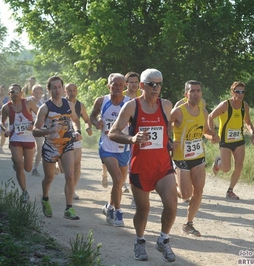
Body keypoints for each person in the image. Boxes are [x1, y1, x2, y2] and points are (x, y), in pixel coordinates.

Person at [108, 68, 177, 262]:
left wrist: (170, 142)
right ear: (142, 86)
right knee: (143, 210)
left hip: (163, 167)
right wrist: (132, 138)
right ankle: (139, 241)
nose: (156, 88)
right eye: (151, 84)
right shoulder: (132, 107)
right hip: (140, 168)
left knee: (171, 205)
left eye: (159, 84)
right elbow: (113, 133)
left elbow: (165, 131)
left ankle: (164, 239)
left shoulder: (166, 105)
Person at [170, 80, 219, 237]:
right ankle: (171, 184)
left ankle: (188, 224)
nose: (196, 94)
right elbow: (164, 127)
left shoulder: (203, 112)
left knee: (198, 190)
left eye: (198, 91)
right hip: (181, 158)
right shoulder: (178, 111)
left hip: (198, 156)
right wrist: (169, 143)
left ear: (201, 94)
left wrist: (212, 136)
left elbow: (205, 131)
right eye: (192, 91)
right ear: (186, 94)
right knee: (185, 195)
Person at [33, 76, 82, 220]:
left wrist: (77, 131)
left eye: (59, 87)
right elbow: (35, 130)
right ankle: (45, 199)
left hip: (66, 144)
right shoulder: (45, 108)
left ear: (62, 88)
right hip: (51, 147)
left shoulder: (69, 105)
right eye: (54, 87)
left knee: (70, 174)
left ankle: (69, 208)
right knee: (49, 178)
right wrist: (49, 131)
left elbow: (76, 120)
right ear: (49, 90)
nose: (57, 90)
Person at [90, 73, 131, 227]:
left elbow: (136, 123)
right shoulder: (102, 101)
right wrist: (96, 122)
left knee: (119, 184)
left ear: (125, 86)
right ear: (109, 86)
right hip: (107, 147)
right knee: (118, 179)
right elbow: (92, 116)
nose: (117, 87)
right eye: (114, 84)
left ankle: (110, 206)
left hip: (124, 148)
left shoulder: (130, 103)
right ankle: (119, 213)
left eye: (121, 84)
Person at [207, 81, 254, 200]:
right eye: (238, 91)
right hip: (225, 141)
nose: (240, 94)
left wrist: (253, 133)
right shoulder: (225, 105)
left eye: (243, 92)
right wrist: (213, 133)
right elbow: (210, 116)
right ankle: (218, 161)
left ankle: (230, 190)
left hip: (239, 140)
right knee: (226, 169)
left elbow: (248, 122)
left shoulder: (245, 106)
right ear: (232, 92)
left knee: (239, 166)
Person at [0, 83, 39, 203]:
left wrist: (33, 124)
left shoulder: (28, 103)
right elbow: (2, 122)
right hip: (15, 138)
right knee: (19, 164)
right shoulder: (6, 107)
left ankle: (16, 162)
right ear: (9, 94)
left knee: (28, 168)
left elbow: (40, 115)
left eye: (17, 91)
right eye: (12, 92)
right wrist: (5, 129)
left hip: (28, 139)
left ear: (21, 93)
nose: (15, 94)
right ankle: (25, 192)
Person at [65, 83, 93, 199]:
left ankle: (72, 189)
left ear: (77, 91)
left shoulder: (80, 105)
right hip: (60, 137)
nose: (72, 92)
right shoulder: (59, 103)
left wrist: (88, 127)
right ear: (65, 91)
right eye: (69, 90)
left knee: (76, 166)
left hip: (75, 136)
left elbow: (87, 119)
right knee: (63, 168)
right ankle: (57, 165)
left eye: (74, 90)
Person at [27, 84, 45, 177]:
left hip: (39, 128)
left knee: (40, 148)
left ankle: (35, 168)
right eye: (36, 93)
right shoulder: (27, 101)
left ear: (42, 93)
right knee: (29, 148)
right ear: (32, 93)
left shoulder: (44, 103)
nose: (38, 95)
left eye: (40, 93)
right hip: (28, 128)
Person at [0, 85, 9, 154]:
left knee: (3, 133)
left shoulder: (7, 99)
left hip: (4, 117)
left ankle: (1, 147)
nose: (2, 91)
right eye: (1, 90)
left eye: (3, 90)